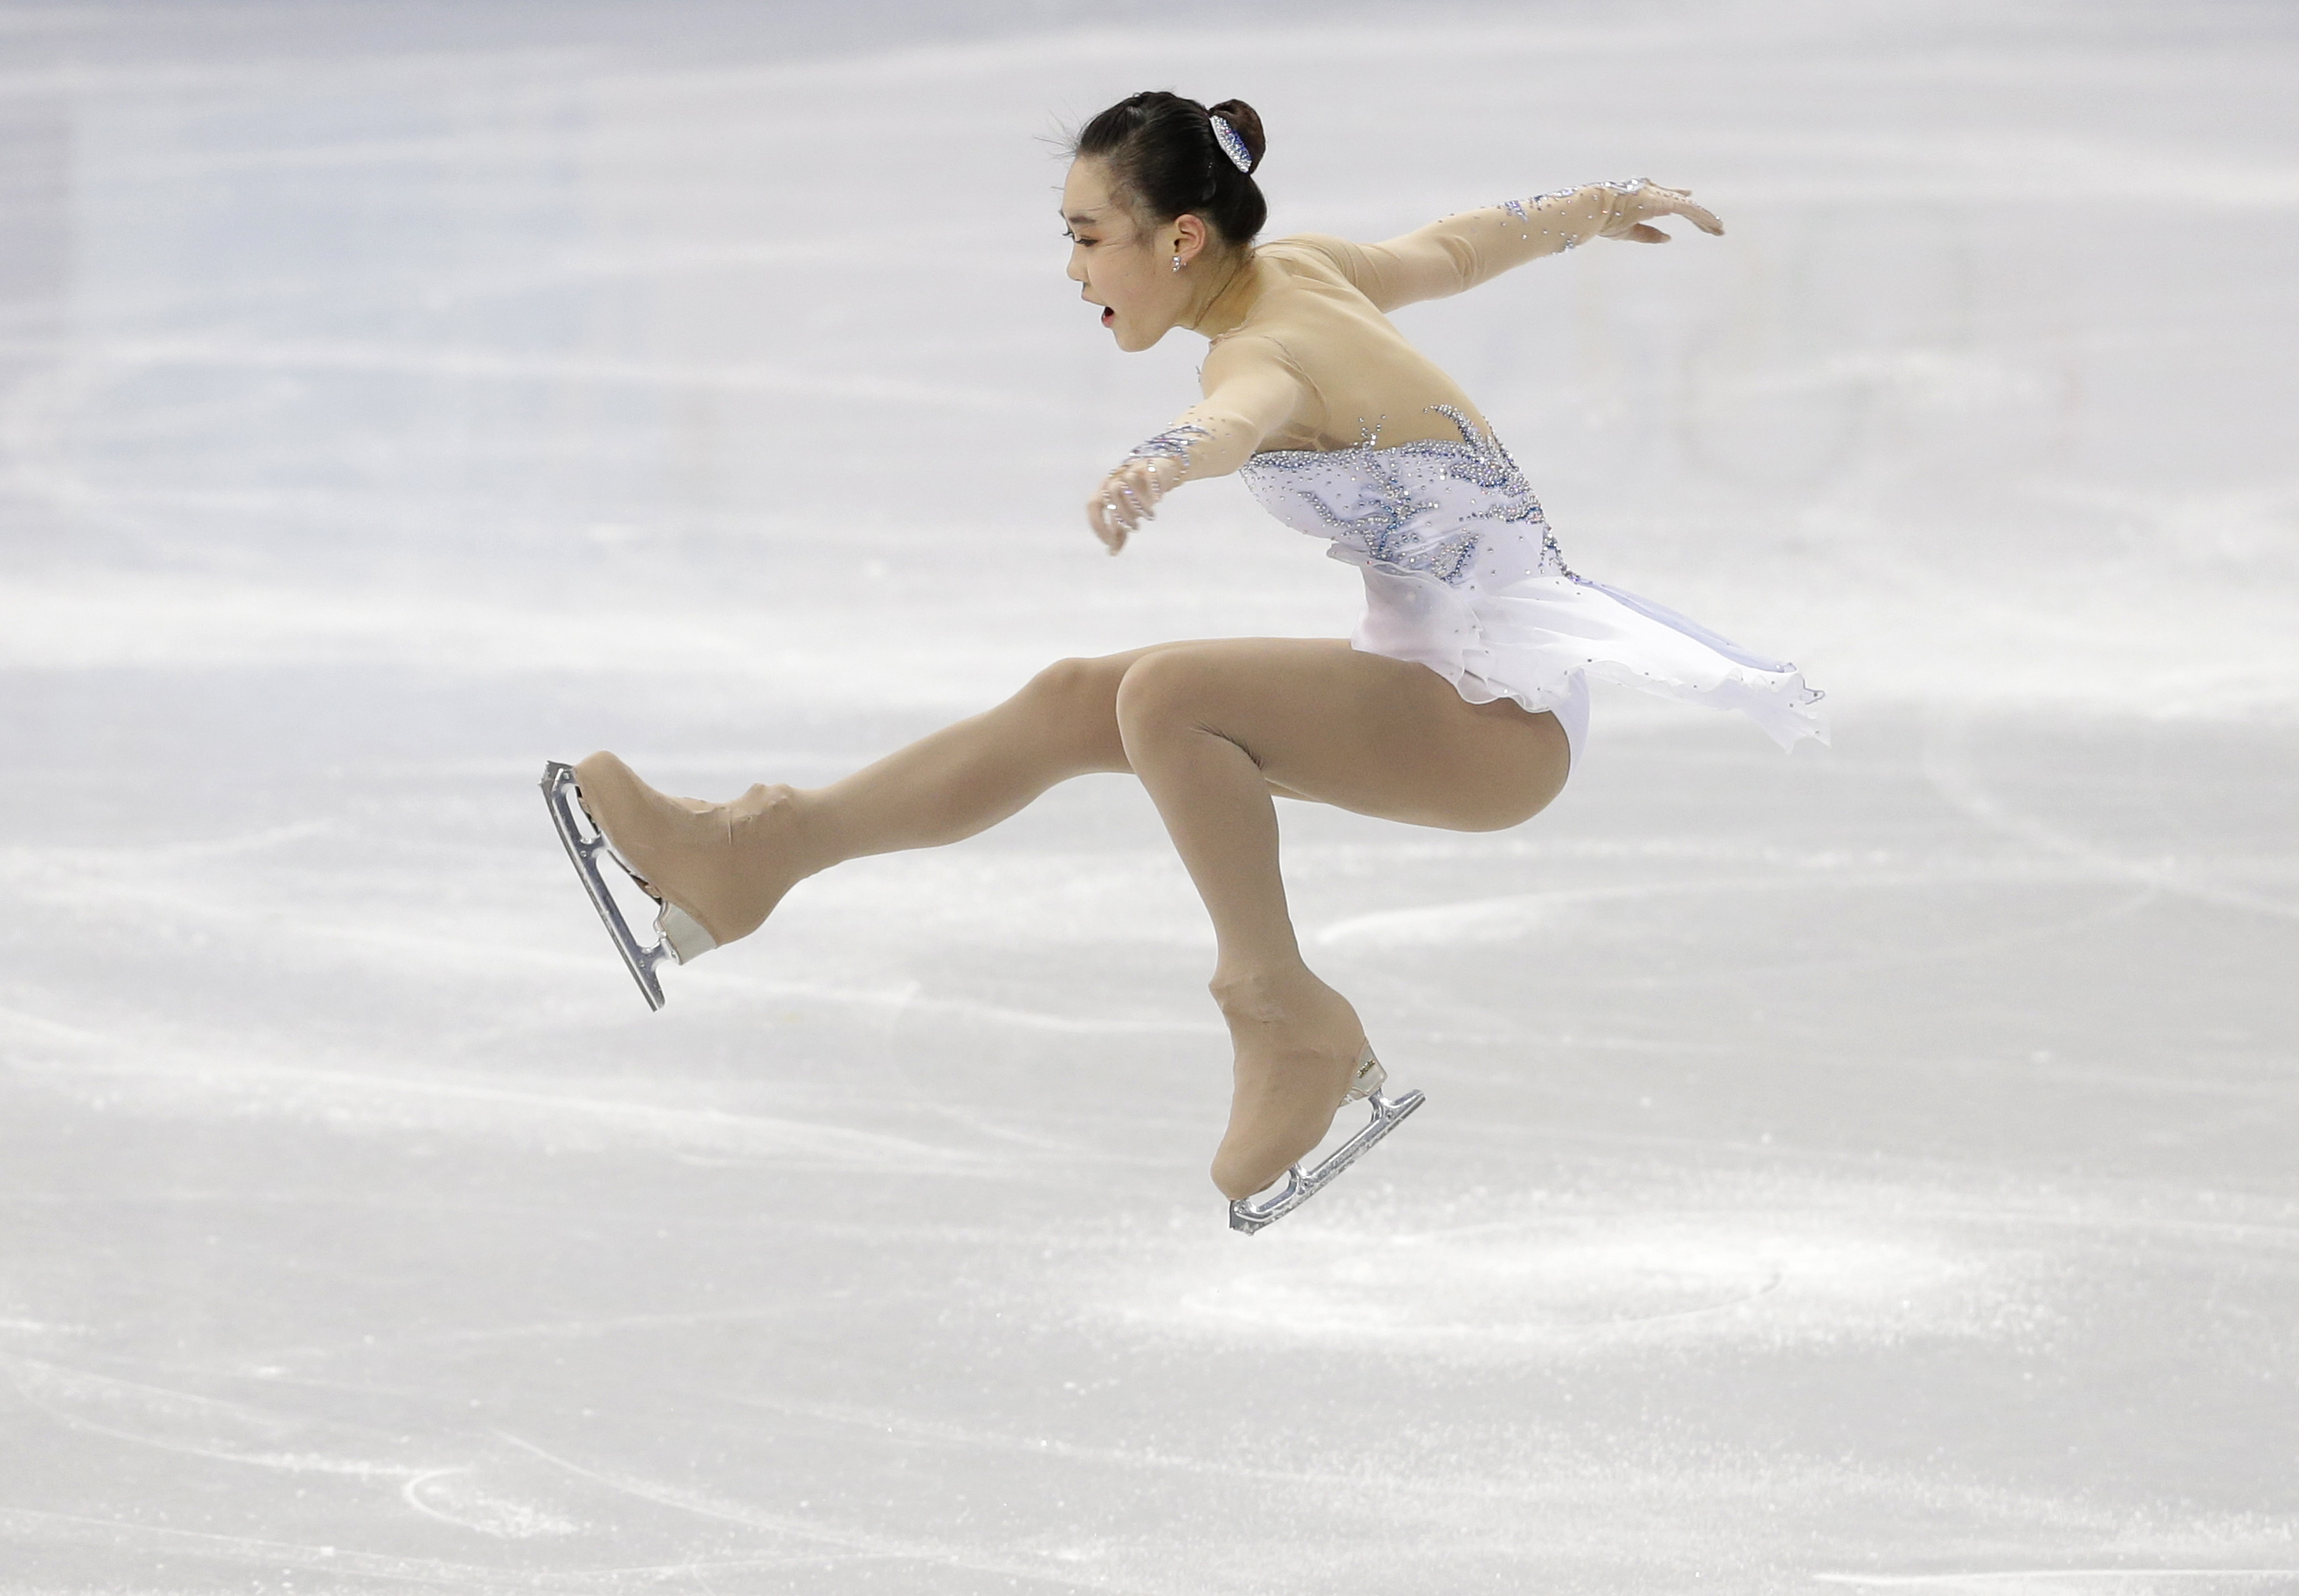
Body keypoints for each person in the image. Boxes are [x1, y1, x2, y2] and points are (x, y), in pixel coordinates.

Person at [551, 90, 1822, 1216]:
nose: (1071, 267)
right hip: (1440, 684)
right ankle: (756, 853)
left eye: (1085, 235)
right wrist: (1597, 205)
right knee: (1073, 704)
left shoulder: (1264, 344)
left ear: (1181, 238)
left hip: (1494, 725)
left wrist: (1162, 460)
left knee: (1170, 696)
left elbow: (1238, 417)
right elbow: (1450, 249)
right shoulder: (1306, 271)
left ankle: (1283, 1014)